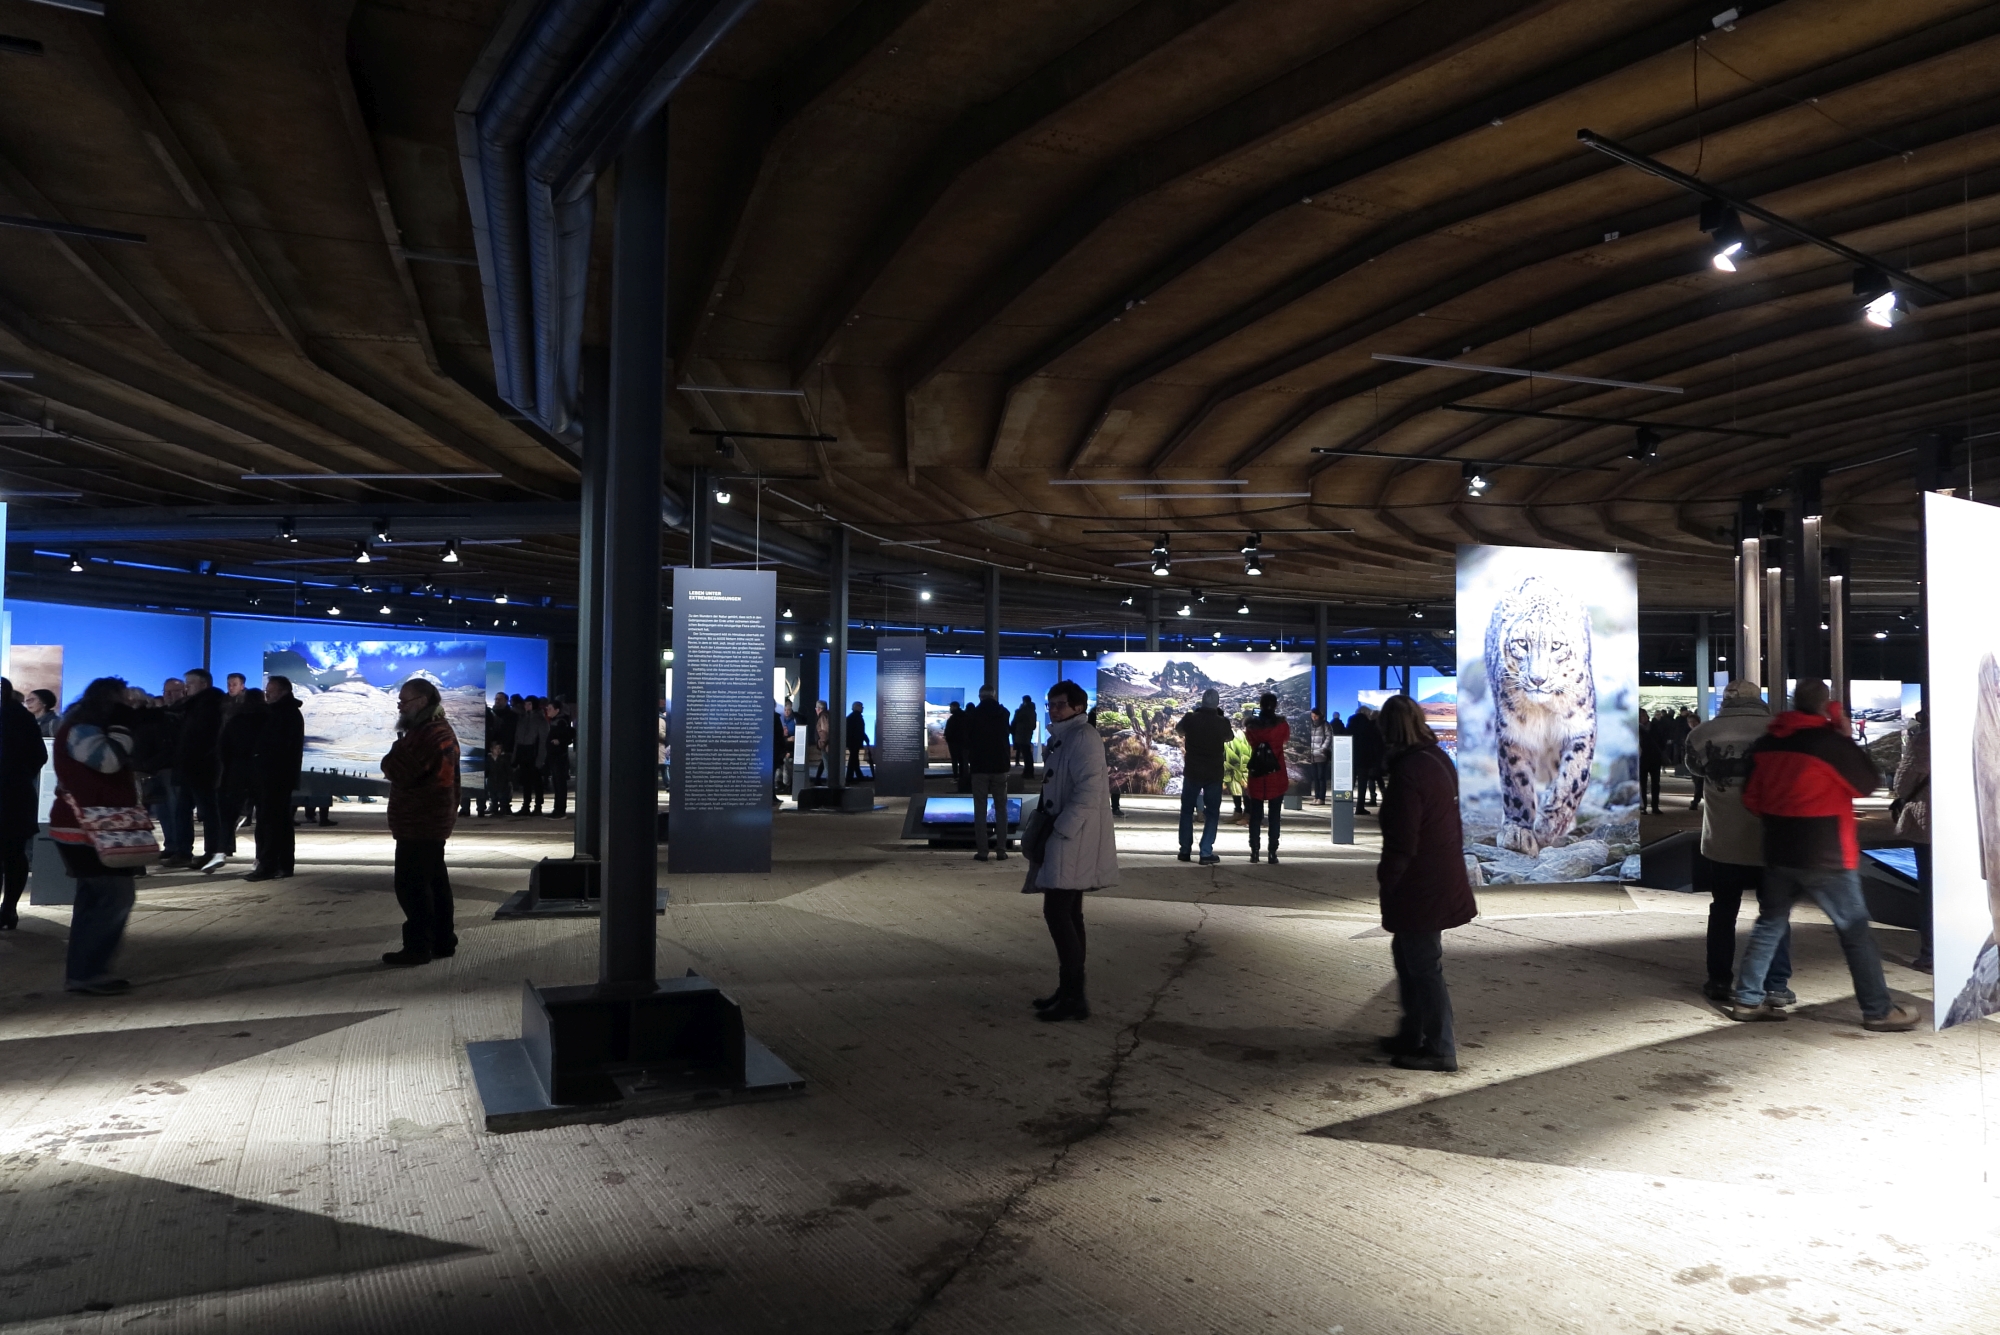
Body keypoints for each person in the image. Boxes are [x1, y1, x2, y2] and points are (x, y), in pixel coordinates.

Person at [1735, 679, 1919, 1031]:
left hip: (1778, 850)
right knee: (1855, 932)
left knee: (1769, 925)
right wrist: (1845, 735)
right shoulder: (1830, 743)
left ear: (1793, 702)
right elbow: (1867, 783)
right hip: (1827, 854)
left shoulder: (1768, 742)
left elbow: (1751, 799)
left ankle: (1746, 999)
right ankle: (1878, 1010)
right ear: (1825, 704)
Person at [1374, 694, 1477, 1072]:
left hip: (1421, 881)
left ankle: (1440, 1048)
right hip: (1439, 872)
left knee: (1423, 964)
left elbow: (1403, 839)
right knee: (1409, 956)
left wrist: (1388, 878)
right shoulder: (1436, 758)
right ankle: (1412, 1034)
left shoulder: (1409, 771)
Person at [1683, 679, 1792, 1007]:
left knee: (1723, 911)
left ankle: (1719, 980)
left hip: (1723, 841)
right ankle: (1776, 984)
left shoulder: (1702, 733)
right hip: (1771, 841)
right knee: (1774, 914)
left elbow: (1695, 769)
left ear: (1726, 700)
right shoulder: (1781, 731)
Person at [46, 677, 146, 994]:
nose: (130, 706)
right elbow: (109, 762)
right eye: (124, 700)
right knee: (114, 898)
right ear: (109, 701)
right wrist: (122, 728)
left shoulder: (83, 726)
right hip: (86, 829)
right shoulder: (82, 729)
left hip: (87, 827)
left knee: (95, 900)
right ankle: (88, 973)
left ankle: (84, 971)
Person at [1026, 680, 1118, 1023]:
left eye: (1060, 704)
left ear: (1078, 707)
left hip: (1071, 837)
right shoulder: (1069, 735)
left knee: (1057, 912)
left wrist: (1063, 827)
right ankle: (1069, 991)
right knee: (1069, 912)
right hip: (1068, 834)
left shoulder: (1082, 737)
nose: (1054, 710)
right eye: (1050, 704)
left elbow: (1090, 788)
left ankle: (1074, 996)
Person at [381, 677, 461, 967]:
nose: (400, 706)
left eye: (405, 701)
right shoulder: (436, 730)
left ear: (423, 701)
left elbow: (396, 769)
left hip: (420, 821)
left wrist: (394, 751)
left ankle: (418, 947)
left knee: (412, 886)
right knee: (435, 882)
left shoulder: (428, 734)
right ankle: (442, 940)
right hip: (429, 820)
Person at [2, 677, 49, 931]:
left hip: (13, 793)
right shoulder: (23, 717)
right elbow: (39, 756)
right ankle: (9, 908)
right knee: (14, 853)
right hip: (16, 793)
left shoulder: (19, 717)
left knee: (13, 853)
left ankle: (8, 908)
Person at [245, 677, 304, 881]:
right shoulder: (282, 712)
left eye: (271, 690)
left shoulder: (283, 714)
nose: (267, 693)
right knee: (279, 821)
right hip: (276, 777)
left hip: (274, 777)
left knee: (270, 822)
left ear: (284, 691)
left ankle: (269, 865)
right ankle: (282, 864)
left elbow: (277, 747)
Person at [173, 667, 228, 870]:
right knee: (183, 810)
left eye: (190, 683)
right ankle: (183, 851)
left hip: (201, 767)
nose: (186, 687)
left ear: (203, 684)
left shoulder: (210, 705)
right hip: (190, 766)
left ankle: (211, 852)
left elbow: (205, 738)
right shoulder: (194, 705)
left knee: (207, 811)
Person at [209, 687, 267, 874]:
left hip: (237, 771)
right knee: (263, 818)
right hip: (262, 772)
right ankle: (260, 858)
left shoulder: (236, 720)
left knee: (228, 814)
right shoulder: (269, 719)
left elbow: (223, 748)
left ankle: (220, 851)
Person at [1175, 688, 1232, 866]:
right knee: (1212, 812)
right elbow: (1229, 737)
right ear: (1217, 703)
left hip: (1193, 771)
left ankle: (1185, 850)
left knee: (1187, 810)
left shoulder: (1190, 719)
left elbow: (1179, 730)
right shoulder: (1222, 722)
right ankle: (1206, 851)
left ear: (1201, 701)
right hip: (1214, 773)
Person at [1892, 709, 1930, 972]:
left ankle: (1931, 955)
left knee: (1930, 889)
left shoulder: (1924, 742)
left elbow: (1902, 785)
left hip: (1930, 825)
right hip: (1973, 823)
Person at [966, 685, 1013, 861]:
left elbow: (968, 739)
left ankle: (983, 851)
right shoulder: (1004, 713)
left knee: (980, 809)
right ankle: (1001, 850)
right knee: (1001, 809)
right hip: (1000, 766)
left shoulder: (973, 715)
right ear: (994, 695)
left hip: (979, 767)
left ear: (980, 696)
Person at [1244, 693, 1290, 864]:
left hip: (1257, 774)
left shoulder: (1252, 727)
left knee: (1255, 816)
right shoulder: (1282, 726)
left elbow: (1250, 740)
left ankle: (1254, 852)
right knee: (1274, 817)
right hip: (1276, 775)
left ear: (1260, 705)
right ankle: (1272, 853)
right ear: (1275, 705)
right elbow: (1285, 738)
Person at [513, 694, 548, 815]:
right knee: (525, 781)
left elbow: (543, 741)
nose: (526, 706)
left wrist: (540, 759)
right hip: (524, 751)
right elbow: (517, 738)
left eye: (529, 704)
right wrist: (515, 755)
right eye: (526, 704)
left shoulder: (540, 720)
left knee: (536, 781)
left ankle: (538, 806)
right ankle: (526, 805)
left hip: (534, 751)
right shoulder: (522, 718)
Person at [1350, 706, 1384, 815]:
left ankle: (1346, 804)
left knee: (1350, 783)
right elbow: (1374, 743)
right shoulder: (1368, 725)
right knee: (1362, 783)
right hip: (1364, 758)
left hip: (1351, 756)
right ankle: (1360, 807)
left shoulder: (1351, 723)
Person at [486, 694, 515, 817]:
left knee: (505, 782)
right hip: (494, 747)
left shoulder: (511, 715)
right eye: (496, 699)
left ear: (506, 701)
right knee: (493, 781)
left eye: (500, 699)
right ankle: (493, 805)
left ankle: (505, 805)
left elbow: (512, 733)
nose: (497, 701)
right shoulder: (491, 714)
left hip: (506, 749)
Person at [545, 700, 574, 818]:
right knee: (557, 783)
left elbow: (570, 735)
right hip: (555, 756)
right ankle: (558, 809)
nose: (547, 711)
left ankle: (560, 810)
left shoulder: (560, 722)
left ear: (557, 710)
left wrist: (560, 741)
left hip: (559, 756)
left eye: (550, 709)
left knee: (559, 784)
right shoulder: (556, 721)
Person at [1638, 707, 1664, 815]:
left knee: (1655, 784)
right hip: (1641, 759)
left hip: (1654, 758)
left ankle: (1655, 806)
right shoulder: (1636, 729)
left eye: (1644, 715)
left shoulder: (1655, 726)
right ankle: (1643, 806)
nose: (1643, 718)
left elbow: (1662, 740)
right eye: (1640, 716)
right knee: (1642, 784)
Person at [944, 701, 969, 792]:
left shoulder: (953, 718)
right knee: (963, 761)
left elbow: (949, 731)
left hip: (954, 742)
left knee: (955, 760)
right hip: (963, 743)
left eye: (951, 707)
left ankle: (956, 777)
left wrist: (948, 738)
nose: (950, 709)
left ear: (955, 707)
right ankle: (963, 778)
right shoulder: (965, 716)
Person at [1308, 707, 1332, 804]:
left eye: (1315, 716)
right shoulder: (1310, 725)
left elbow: (1329, 737)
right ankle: (1316, 796)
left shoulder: (1325, 725)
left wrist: (1323, 748)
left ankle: (1321, 798)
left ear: (1319, 716)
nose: (1314, 718)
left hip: (1321, 755)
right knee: (1315, 777)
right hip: (1312, 755)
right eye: (1312, 716)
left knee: (1321, 777)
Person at [1012, 695, 1038, 779]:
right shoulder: (1033, 711)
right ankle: (1029, 771)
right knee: (1027, 753)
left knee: (1026, 753)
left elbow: (1016, 719)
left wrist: (1018, 710)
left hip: (1021, 734)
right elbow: (1033, 725)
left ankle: (1027, 772)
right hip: (1028, 734)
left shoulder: (1023, 710)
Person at [845, 701, 870, 782]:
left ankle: (858, 776)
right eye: (861, 706)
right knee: (853, 759)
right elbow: (859, 731)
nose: (862, 708)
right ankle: (850, 778)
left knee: (854, 760)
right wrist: (865, 738)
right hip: (854, 742)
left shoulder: (851, 717)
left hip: (852, 742)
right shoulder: (857, 717)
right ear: (857, 707)